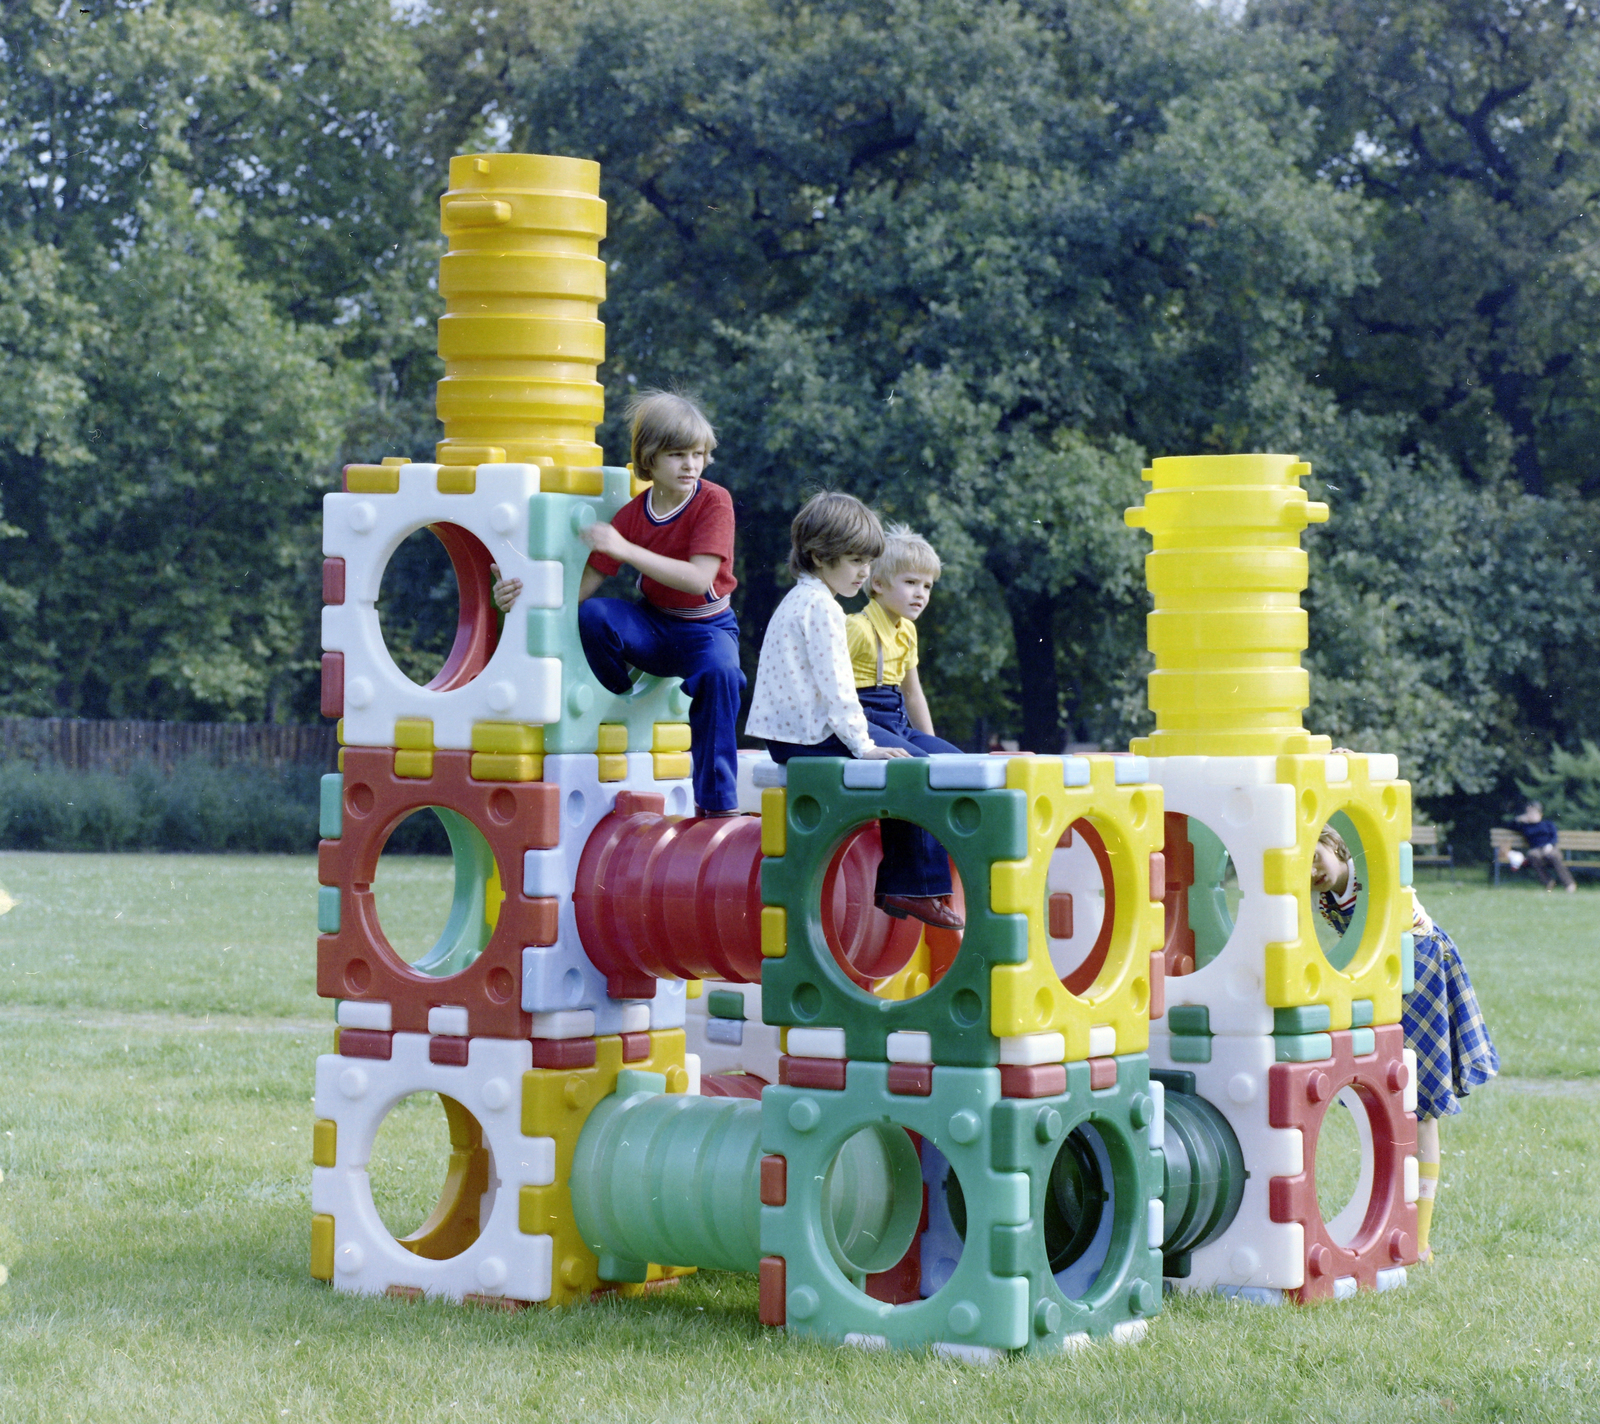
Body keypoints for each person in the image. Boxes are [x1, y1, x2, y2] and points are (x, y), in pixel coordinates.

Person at [492, 390, 743, 816]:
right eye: (677, 455)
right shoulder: (632, 515)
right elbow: (579, 593)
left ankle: (717, 807)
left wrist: (625, 549)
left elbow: (700, 579)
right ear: (650, 458)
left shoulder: (712, 501)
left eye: (698, 454)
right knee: (595, 617)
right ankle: (620, 705)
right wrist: (517, 596)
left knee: (722, 673)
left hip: (708, 630)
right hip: (655, 626)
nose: (690, 465)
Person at [745, 491, 962, 931]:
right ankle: (911, 886)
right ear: (819, 555)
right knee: (913, 771)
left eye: (868, 562)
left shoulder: (803, 599)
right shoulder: (824, 609)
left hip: (794, 732)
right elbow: (838, 688)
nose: (864, 573)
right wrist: (863, 747)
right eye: (855, 561)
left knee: (928, 761)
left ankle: (917, 881)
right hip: (808, 734)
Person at [1311, 824, 1499, 1263]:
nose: (1312, 870)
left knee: (1425, 1104)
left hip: (1423, 969)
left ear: (1338, 847)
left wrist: (1341, 767)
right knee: (1391, 1096)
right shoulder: (1324, 899)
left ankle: (1421, 1237)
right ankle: (1393, 1222)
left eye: (1316, 857)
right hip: (1382, 982)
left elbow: (1369, 819)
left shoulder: (1370, 869)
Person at [845, 524, 962, 756]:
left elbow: (912, 693)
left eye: (927, 586)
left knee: (952, 762)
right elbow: (825, 683)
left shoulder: (907, 630)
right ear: (878, 583)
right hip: (862, 724)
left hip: (897, 726)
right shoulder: (858, 628)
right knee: (918, 764)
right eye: (911, 582)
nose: (921, 593)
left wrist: (930, 743)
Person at [1514, 801, 1577, 892]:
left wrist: (1550, 845)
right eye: (1529, 812)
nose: (1531, 815)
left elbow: (1554, 837)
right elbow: (1509, 825)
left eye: (1533, 812)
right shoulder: (1525, 826)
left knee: (1554, 856)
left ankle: (1569, 884)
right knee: (1532, 856)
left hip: (1550, 847)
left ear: (1540, 814)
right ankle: (1548, 882)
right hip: (1536, 849)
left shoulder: (1548, 824)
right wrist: (1518, 819)